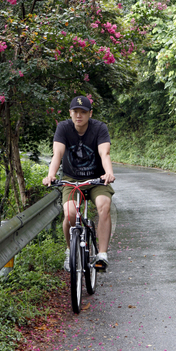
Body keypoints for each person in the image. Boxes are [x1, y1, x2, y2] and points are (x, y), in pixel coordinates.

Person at [43, 95, 115, 272]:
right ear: (70, 112)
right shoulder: (64, 128)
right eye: (75, 111)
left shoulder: (99, 128)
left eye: (83, 112)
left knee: (104, 206)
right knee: (70, 213)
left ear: (90, 113)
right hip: (72, 180)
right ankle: (70, 250)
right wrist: (50, 175)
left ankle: (102, 255)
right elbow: (57, 154)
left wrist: (108, 172)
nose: (79, 115)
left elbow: (104, 153)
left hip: (97, 179)